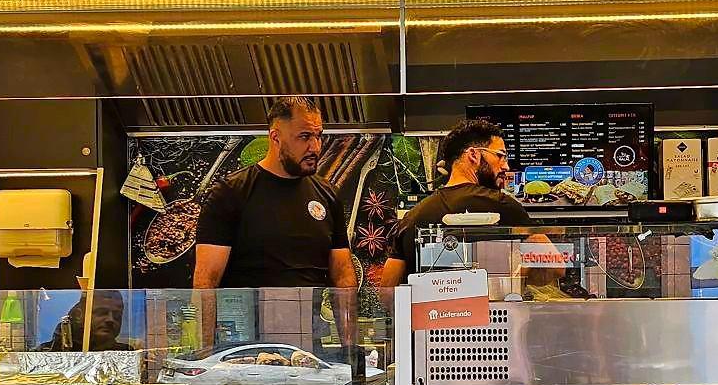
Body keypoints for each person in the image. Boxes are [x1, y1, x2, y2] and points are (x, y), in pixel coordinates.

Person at [193, 96, 360, 295]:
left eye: (318, 136)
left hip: (310, 324)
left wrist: (349, 326)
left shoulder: (328, 195)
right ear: (275, 137)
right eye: (305, 136)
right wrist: (207, 327)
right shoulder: (230, 193)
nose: (315, 147)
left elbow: (342, 275)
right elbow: (206, 283)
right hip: (248, 323)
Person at [374, 118, 536, 287]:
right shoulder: (505, 206)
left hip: (434, 313)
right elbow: (555, 268)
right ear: (473, 154)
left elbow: (388, 293)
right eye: (500, 156)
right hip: (495, 311)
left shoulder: (413, 217)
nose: (506, 166)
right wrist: (515, 278)